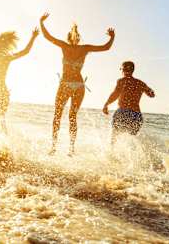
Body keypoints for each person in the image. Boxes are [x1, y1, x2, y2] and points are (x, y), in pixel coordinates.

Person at [40, 13, 115, 156]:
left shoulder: (64, 45)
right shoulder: (85, 48)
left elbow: (47, 37)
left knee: (57, 115)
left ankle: (53, 147)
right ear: (78, 38)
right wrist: (112, 37)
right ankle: (71, 149)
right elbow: (106, 47)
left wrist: (41, 22)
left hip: (66, 84)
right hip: (79, 85)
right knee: (72, 116)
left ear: (69, 38)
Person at [0, 6, 38, 134]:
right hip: (2, 90)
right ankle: (4, 146)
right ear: (4, 46)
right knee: (1, 119)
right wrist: (33, 37)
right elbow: (25, 51)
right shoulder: (7, 58)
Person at [103, 61, 155, 145]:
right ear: (132, 70)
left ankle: (112, 155)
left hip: (123, 112)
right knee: (132, 141)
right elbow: (151, 94)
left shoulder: (121, 81)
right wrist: (143, 89)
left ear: (123, 69)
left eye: (121, 69)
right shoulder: (140, 83)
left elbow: (115, 94)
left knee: (114, 138)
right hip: (136, 115)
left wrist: (106, 104)